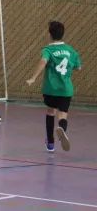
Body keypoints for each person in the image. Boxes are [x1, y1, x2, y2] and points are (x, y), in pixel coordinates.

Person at [26, 21, 80, 152]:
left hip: (50, 89)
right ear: (63, 35)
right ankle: (62, 128)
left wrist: (33, 78)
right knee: (62, 114)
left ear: (49, 34)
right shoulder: (71, 51)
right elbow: (78, 67)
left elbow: (43, 61)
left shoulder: (48, 49)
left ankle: (50, 142)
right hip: (65, 89)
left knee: (50, 112)